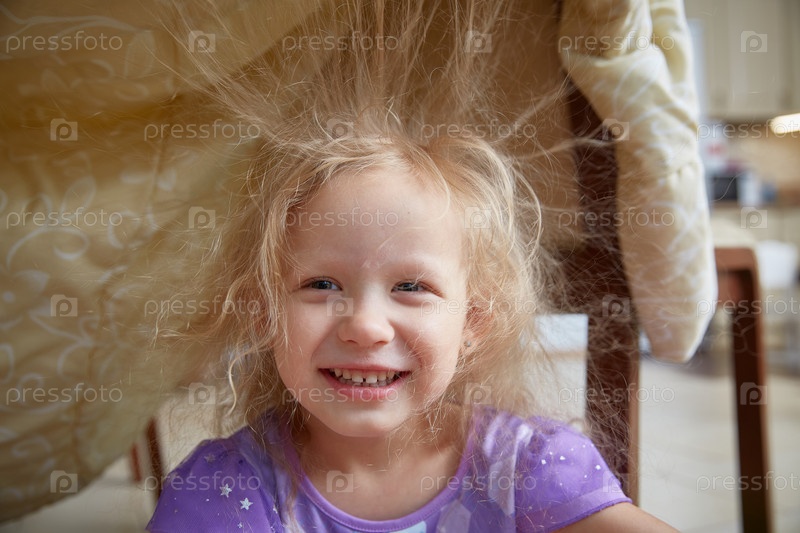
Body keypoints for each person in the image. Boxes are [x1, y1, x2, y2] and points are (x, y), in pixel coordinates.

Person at [148, 1, 679, 530]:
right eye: (322, 284)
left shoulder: (528, 467)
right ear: (264, 313)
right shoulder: (224, 491)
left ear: (474, 321)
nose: (365, 326)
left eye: (410, 286)